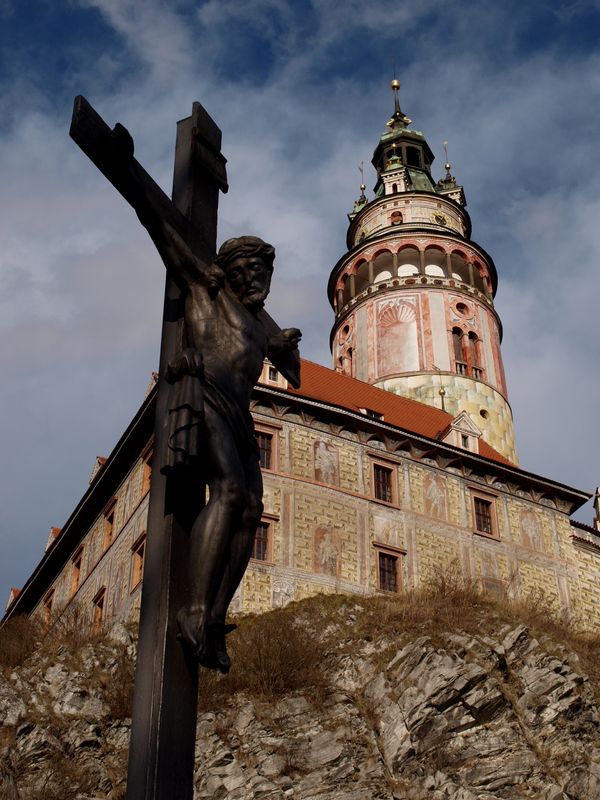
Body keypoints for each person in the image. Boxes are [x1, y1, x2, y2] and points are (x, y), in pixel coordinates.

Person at [136, 204, 301, 672]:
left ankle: (214, 615)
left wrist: (285, 346)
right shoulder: (205, 287)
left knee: (252, 509)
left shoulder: (259, 327)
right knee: (227, 490)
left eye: (264, 272)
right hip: (205, 391)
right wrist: (124, 165)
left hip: (239, 412)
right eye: (248, 271)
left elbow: (296, 376)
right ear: (229, 271)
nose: (257, 280)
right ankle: (192, 608)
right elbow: (160, 222)